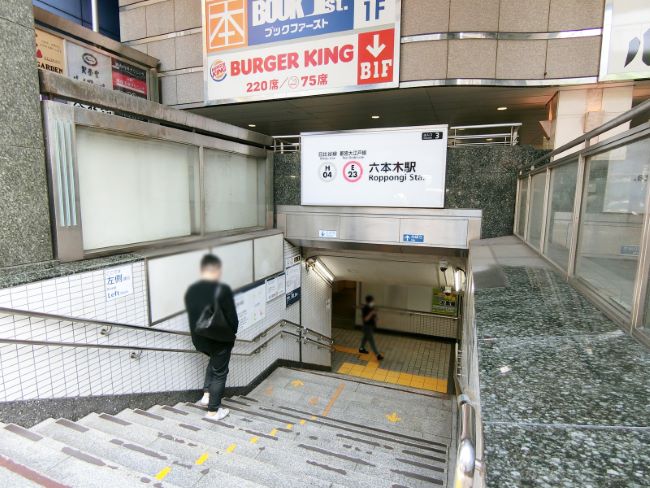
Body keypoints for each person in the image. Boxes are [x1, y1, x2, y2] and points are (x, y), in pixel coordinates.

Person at [185, 254, 239, 420]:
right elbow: (232, 319)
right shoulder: (222, 290)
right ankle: (213, 411)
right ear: (217, 270)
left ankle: (207, 396)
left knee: (214, 363)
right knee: (220, 372)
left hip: (200, 340)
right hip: (219, 340)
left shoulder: (192, 290)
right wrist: (232, 333)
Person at [359, 295, 384, 361]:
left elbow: (374, 317)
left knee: (365, 337)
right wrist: (372, 313)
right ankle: (378, 355)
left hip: (370, 327)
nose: (373, 302)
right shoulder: (365, 309)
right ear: (369, 301)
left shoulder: (371, 307)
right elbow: (366, 319)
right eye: (372, 301)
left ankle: (361, 348)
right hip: (367, 327)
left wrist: (375, 317)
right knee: (372, 341)